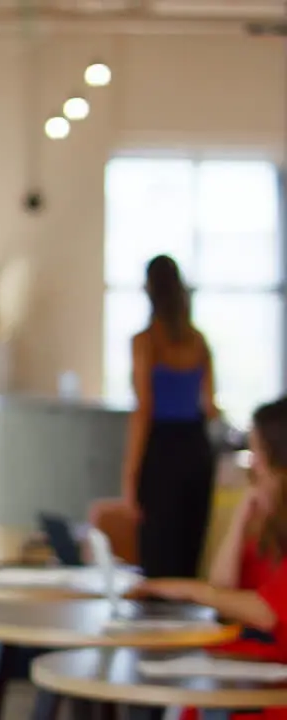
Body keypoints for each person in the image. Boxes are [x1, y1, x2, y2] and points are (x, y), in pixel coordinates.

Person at [135, 397, 287, 720]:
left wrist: (188, 589)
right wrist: (240, 519)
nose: (252, 464)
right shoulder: (270, 527)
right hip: (253, 673)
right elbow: (223, 588)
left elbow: (266, 614)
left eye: (258, 453)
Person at [121, 254, 218, 579]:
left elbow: (143, 412)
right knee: (189, 553)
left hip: (162, 451)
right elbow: (210, 406)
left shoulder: (145, 343)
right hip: (197, 450)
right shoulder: (198, 341)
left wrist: (130, 478)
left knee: (158, 554)